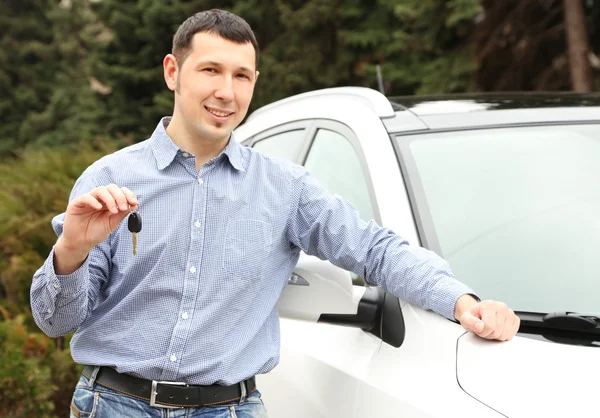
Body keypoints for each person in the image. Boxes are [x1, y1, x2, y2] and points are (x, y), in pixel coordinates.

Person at [30, 9, 520, 418]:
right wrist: (71, 250)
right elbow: (55, 322)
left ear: (254, 83)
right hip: (114, 405)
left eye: (241, 76)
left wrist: (462, 302)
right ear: (172, 72)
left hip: (229, 409)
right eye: (211, 70)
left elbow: (374, 249)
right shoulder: (107, 180)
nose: (227, 91)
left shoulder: (286, 189)